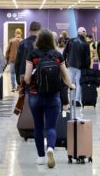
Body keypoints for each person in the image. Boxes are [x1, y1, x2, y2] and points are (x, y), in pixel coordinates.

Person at [24, 28, 75, 168]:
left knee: (38, 127)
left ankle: (40, 157)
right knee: (51, 126)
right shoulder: (57, 55)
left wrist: (32, 78)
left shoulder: (32, 54)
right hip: (53, 96)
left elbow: (27, 79)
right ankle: (51, 148)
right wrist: (72, 85)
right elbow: (65, 76)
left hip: (35, 96)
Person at [63, 27, 90, 107]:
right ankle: (77, 100)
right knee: (79, 83)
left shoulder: (70, 40)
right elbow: (87, 57)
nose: (85, 33)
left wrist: (64, 63)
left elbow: (64, 52)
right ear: (83, 33)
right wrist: (87, 68)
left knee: (71, 83)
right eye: (85, 32)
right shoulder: (85, 43)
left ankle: (71, 100)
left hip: (70, 65)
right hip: (81, 67)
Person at [15, 21, 41, 87]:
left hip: (24, 75)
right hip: (40, 76)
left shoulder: (22, 43)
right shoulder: (44, 44)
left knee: (27, 95)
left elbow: (17, 62)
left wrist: (18, 79)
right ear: (40, 30)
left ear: (29, 30)